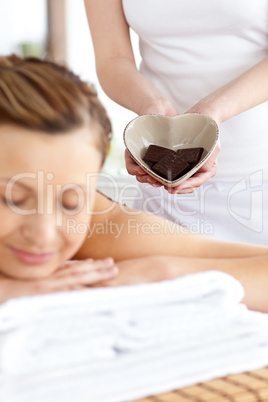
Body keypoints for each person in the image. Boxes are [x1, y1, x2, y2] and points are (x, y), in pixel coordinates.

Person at [0, 55, 267, 313]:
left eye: (71, 203)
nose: (43, 234)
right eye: (13, 199)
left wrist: (166, 273)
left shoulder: (96, 225)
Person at [84, 0, 268, 245]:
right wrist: (152, 110)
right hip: (163, 186)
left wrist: (208, 116)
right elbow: (112, 58)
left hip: (258, 179)